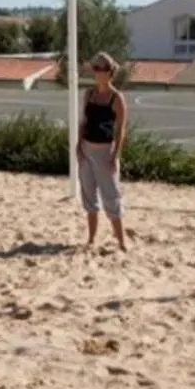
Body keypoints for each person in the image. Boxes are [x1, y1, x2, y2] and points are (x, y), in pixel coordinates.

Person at [79, 53, 129, 252]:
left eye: (102, 69)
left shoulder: (116, 98)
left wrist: (115, 155)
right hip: (86, 149)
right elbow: (83, 122)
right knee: (88, 196)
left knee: (111, 196)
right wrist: (78, 147)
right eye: (95, 68)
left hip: (105, 151)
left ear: (110, 72)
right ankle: (91, 239)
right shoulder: (88, 94)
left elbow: (120, 129)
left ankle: (121, 241)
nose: (98, 72)